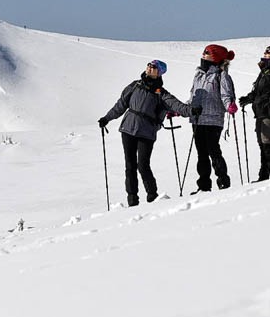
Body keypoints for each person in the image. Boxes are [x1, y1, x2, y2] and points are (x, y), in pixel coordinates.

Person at [98, 60, 201, 207]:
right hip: (128, 129)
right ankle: (132, 200)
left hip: (146, 132)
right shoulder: (135, 85)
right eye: (148, 65)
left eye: (153, 67)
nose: (149, 68)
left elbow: (177, 105)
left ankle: (153, 196)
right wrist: (107, 118)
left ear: (159, 72)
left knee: (143, 165)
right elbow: (121, 104)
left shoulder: (162, 94)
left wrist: (191, 111)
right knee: (130, 165)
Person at [189, 44, 238, 194]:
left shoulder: (221, 75)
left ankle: (223, 181)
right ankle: (204, 186)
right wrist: (182, 109)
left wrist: (229, 105)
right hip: (197, 120)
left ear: (215, 57)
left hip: (213, 119)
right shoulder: (198, 74)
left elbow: (226, 94)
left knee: (213, 151)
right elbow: (193, 96)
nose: (203, 54)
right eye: (204, 51)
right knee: (201, 154)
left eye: (207, 52)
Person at [238, 45, 270, 181]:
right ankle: (266, 175)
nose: (265, 54)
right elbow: (257, 92)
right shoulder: (264, 71)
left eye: (269, 52)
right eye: (265, 52)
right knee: (263, 143)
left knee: (268, 143)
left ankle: (269, 175)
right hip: (262, 111)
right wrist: (247, 99)